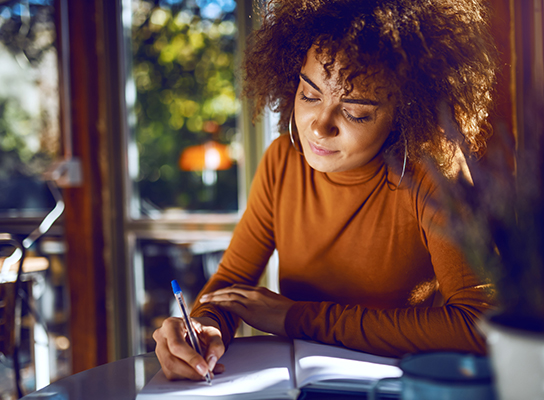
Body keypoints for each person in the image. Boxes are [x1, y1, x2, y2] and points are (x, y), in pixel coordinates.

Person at [153, 0, 498, 381]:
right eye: (310, 94)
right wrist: (203, 326)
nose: (319, 126)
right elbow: (233, 282)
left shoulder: (435, 173)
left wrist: (297, 317)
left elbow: (479, 324)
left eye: (355, 112)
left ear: (407, 113)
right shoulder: (282, 160)